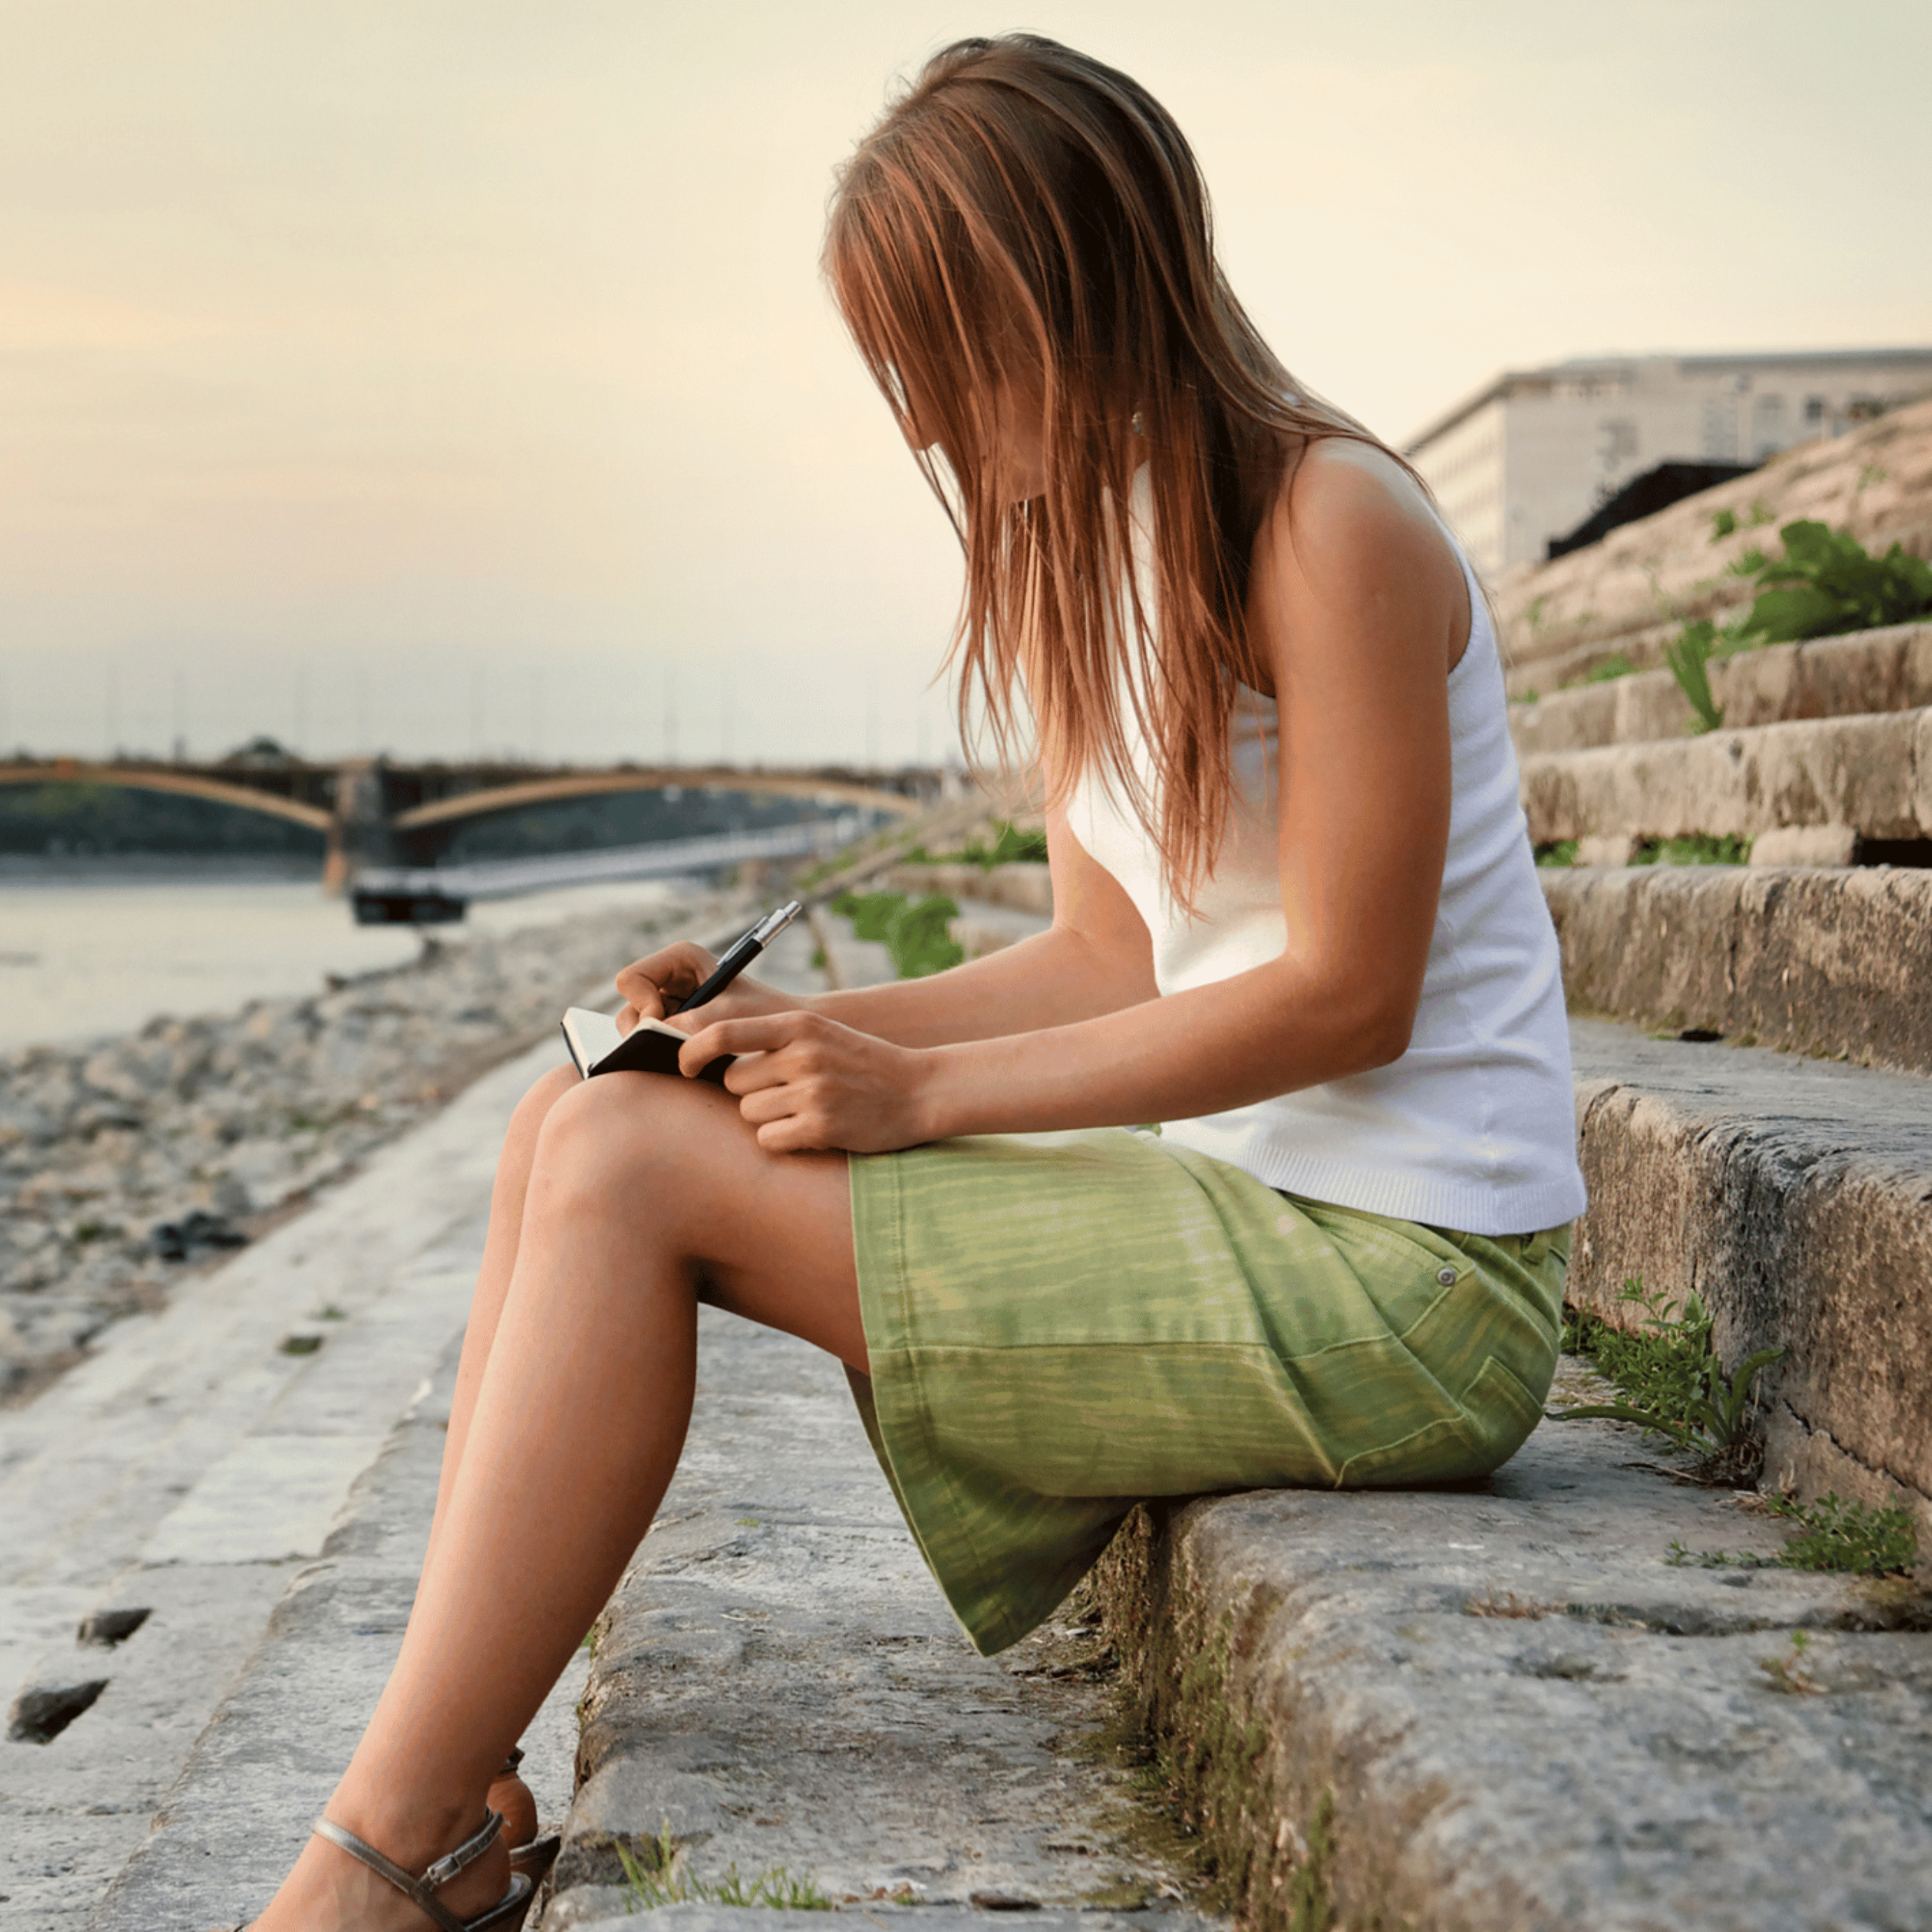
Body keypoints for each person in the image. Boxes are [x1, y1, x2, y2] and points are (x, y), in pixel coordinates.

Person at [234, 33, 1584, 1932]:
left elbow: (1351, 993)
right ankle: (440, 1795)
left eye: (943, 353)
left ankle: (372, 1866)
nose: (920, 423)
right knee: (584, 1109)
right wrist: (777, 1034)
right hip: (1250, 1209)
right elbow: (1105, 955)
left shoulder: (1325, 520)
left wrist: (916, 1091)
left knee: (625, 1175)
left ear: (1071, 293)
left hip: (1411, 1280)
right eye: (899, 367)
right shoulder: (1093, 553)